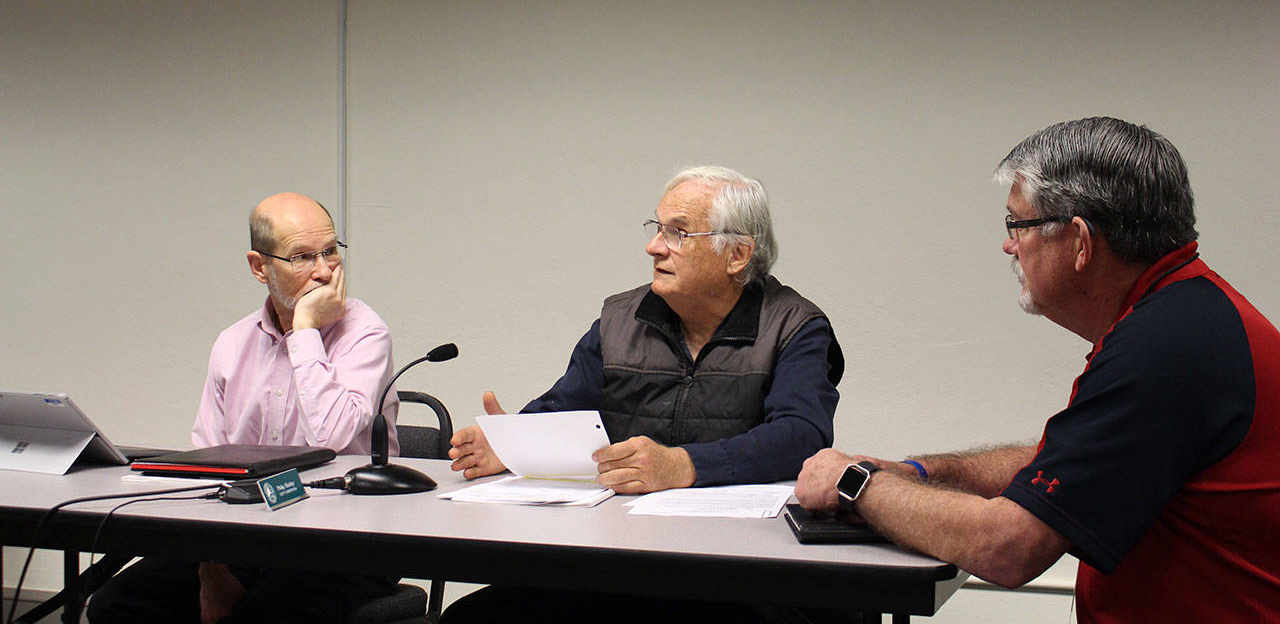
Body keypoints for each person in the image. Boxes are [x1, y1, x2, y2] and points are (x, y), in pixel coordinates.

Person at [796, 117, 1280, 622]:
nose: (1009, 246)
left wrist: (855, 484)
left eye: (1017, 224)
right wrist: (921, 473)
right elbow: (1067, 462)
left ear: (1079, 241)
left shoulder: (1164, 347)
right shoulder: (1183, 314)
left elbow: (1010, 547)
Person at [444, 166, 843, 622]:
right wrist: (513, 444)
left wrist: (685, 466)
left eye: (678, 233)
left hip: (734, 572)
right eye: (657, 229)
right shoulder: (619, 319)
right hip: (615, 560)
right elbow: (564, 406)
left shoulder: (795, 326)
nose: (653, 246)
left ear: (737, 254)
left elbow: (801, 435)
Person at [88, 192, 400, 623]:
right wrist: (210, 568)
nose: (326, 271)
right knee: (115, 604)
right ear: (259, 267)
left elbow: (332, 438)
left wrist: (305, 329)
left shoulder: (364, 332)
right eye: (303, 257)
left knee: (263, 613)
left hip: (346, 542)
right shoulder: (233, 343)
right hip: (245, 539)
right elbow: (204, 468)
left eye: (331, 251)